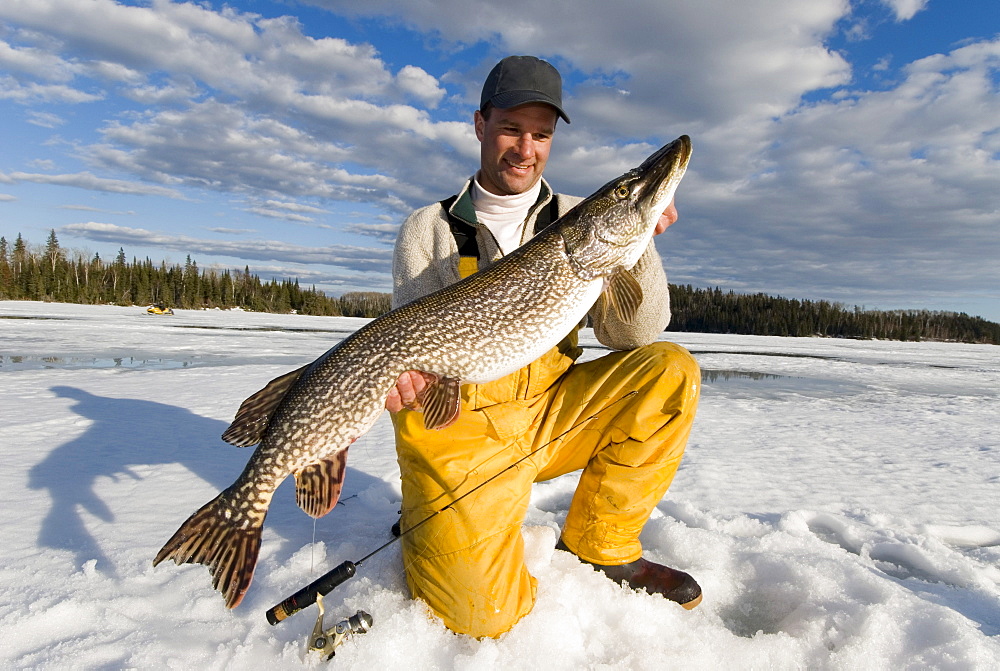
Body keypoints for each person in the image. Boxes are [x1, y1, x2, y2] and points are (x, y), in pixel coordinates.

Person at [385, 55, 701, 638]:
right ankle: (435, 516)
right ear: (481, 125)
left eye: (541, 135)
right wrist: (410, 382)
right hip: (462, 432)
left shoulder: (579, 218)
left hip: (551, 416)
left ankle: (599, 543)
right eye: (510, 129)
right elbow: (414, 351)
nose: (524, 148)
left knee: (669, 371)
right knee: (481, 618)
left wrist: (640, 237)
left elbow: (633, 336)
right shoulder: (427, 228)